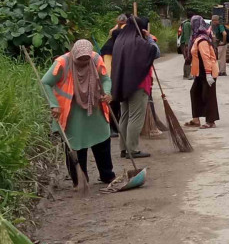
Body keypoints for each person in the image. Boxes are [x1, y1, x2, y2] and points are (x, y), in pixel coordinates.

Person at [41, 39, 116, 186]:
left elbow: (106, 79)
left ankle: (107, 175)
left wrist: (107, 93)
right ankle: (80, 180)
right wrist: (53, 104)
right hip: (72, 111)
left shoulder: (95, 59)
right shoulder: (62, 62)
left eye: (85, 58)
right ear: (73, 54)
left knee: (102, 142)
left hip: (94, 108)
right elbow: (45, 82)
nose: (83, 61)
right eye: (80, 58)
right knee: (75, 146)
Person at [111, 16, 159, 158]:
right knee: (136, 117)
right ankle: (132, 149)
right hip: (138, 84)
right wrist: (149, 38)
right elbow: (155, 52)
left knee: (125, 115)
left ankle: (123, 148)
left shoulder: (120, 40)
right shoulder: (138, 42)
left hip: (122, 84)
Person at [186, 15, 220, 129]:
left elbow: (206, 58)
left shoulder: (202, 40)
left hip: (207, 71)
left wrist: (208, 74)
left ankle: (211, 121)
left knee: (208, 95)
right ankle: (196, 119)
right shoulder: (196, 38)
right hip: (200, 72)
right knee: (194, 92)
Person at [178, 11, 195, 80]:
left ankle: (186, 74)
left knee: (187, 59)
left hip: (186, 43)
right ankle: (187, 75)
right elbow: (186, 35)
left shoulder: (188, 23)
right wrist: (187, 45)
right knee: (188, 59)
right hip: (185, 43)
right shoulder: (187, 24)